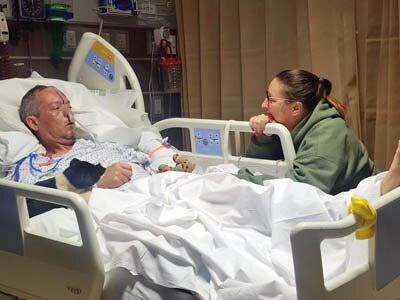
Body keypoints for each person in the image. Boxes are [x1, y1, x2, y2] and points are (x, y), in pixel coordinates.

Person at [15, 85, 193, 216]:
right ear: (33, 122)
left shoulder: (102, 143)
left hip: (166, 194)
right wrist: (96, 184)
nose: (68, 114)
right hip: (130, 211)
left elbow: (150, 151)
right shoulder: (33, 166)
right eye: (56, 108)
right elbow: (25, 208)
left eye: (69, 107)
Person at [238, 69, 379, 195]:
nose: (263, 105)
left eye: (271, 99)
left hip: (369, 210)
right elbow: (254, 166)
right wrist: (265, 135)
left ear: (296, 109)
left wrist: (239, 180)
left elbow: (300, 191)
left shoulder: (326, 135)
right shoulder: (291, 127)